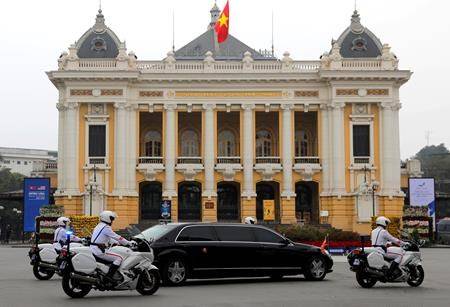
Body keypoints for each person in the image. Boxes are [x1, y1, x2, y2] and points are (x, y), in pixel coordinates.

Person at [90, 211, 134, 283]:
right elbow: (116, 236)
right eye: (112, 218)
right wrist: (128, 243)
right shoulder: (106, 227)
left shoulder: (99, 226)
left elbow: (108, 238)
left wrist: (116, 243)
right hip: (99, 251)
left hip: (93, 249)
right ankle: (109, 276)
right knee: (119, 258)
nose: (112, 221)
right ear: (107, 218)